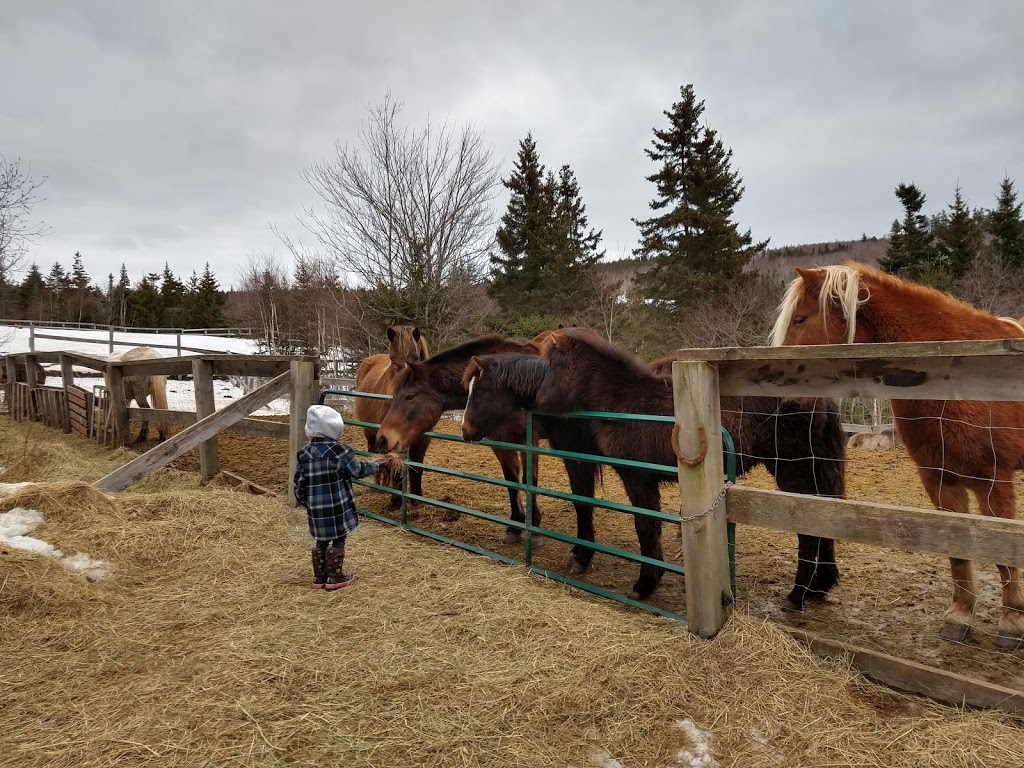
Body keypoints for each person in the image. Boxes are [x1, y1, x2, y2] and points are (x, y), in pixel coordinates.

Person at [293, 404, 393, 589]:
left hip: (316, 510)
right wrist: (380, 465)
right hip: (338, 508)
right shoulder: (340, 452)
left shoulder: (304, 454)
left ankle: (319, 577)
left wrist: (305, 501)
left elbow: (299, 483)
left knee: (321, 540)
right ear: (334, 428)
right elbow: (358, 470)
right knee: (339, 539)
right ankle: (335, 577)